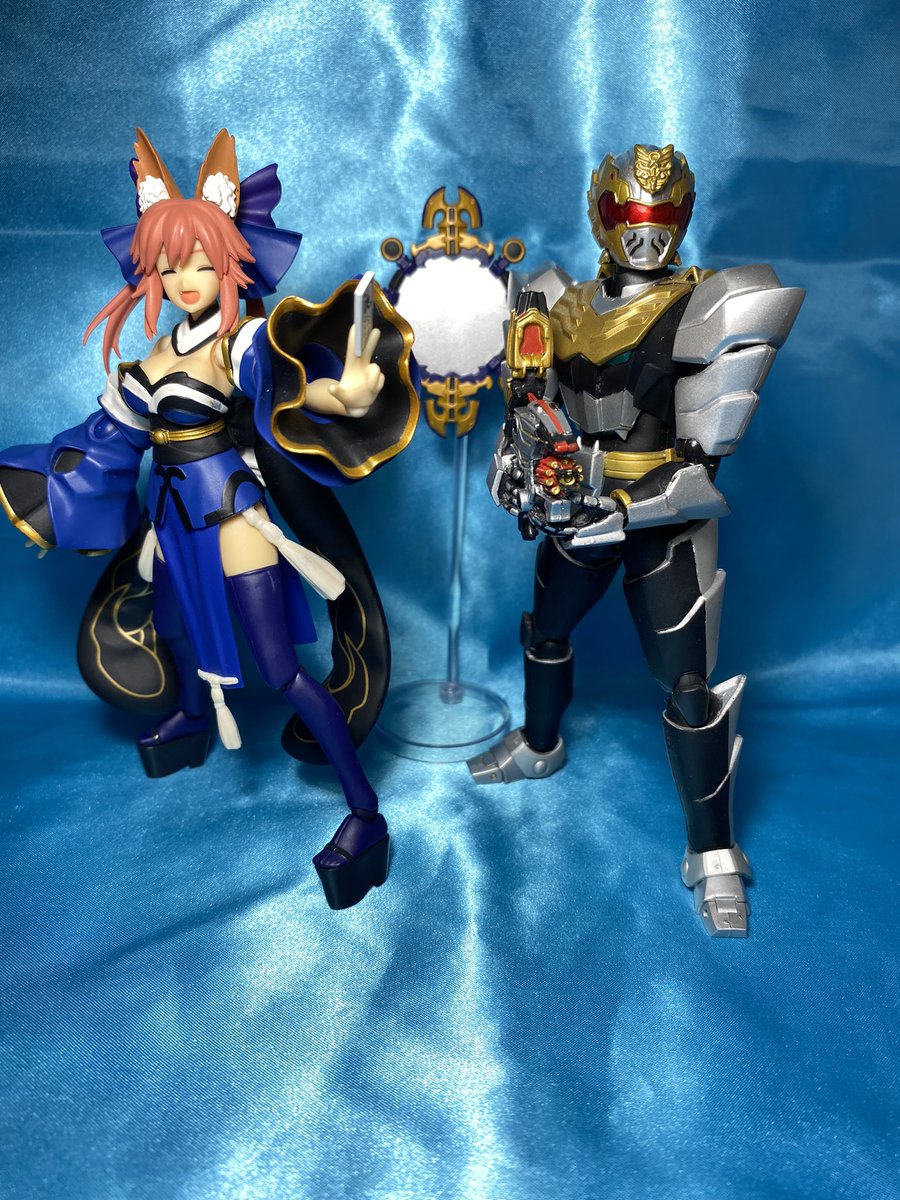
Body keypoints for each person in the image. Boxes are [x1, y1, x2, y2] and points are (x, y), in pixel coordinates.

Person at [0, 129, 419, 910]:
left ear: (228, 262)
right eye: (168, 266)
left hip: (231, 522)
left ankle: (366, 813)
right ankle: (194, 719)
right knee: (179, 633)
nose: (183, 279)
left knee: (282, 670)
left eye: (199, 263)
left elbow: (289, 381)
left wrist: (345, 392)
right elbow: (107, 441)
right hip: (171, 521)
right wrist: (56, 503)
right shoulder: (159, 353)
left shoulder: (239, 341)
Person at [468, 144, 804, 936]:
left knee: (687, 685)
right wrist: (513, 465)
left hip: (660, 517)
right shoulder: (561, 305)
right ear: (603, 213)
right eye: (627, 214)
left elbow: (701, 467)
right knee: (547, 632)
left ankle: (713, 851)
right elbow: (533, 410)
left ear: (683, 216)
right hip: (572, 503)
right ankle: (540, 744)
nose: (645, 232)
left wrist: (624, 509)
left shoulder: (705, 308)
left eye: (661, 215)